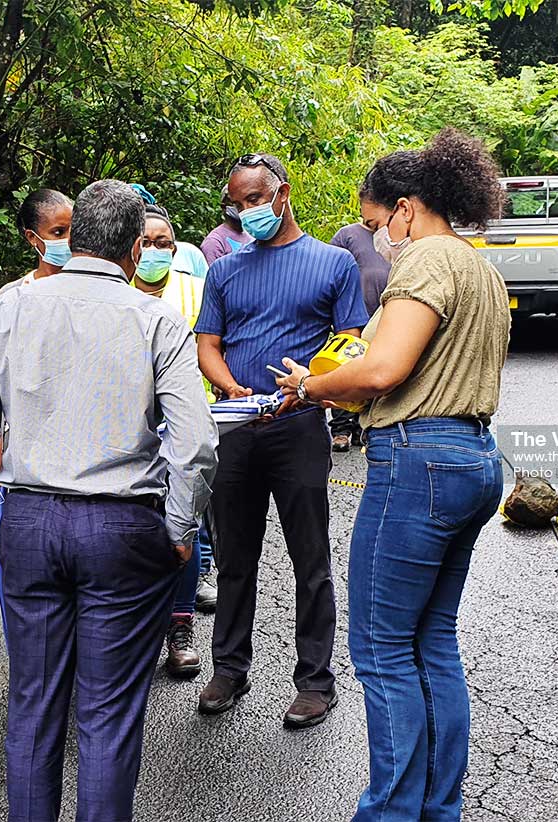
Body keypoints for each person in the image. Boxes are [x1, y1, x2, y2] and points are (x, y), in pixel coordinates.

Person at [0, 179, 218, 822]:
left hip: (28, 524)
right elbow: (196, 444)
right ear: (130, 251)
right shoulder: (157, 320)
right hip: (122, 528)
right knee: (108, 716)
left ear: (75, 236)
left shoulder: (12, 307)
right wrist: (179, 528)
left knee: (33, 706)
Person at [275, 128, 510, 821]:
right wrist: (333, 382)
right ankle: (439, 808)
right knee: (432, 640)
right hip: (471, 457)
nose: (378, 237)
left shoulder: (429, 259)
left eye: (377, 222)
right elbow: (404, 372)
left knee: (380, 651)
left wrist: (312, 390)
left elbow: (384, 369)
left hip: (417, 463)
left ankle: (390, 813)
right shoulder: (481, 269)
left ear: (407, 208)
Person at [194, 153, 368, 729]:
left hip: (299, 428)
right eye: (236, 204)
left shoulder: (334, 264)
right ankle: (229, 669)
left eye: (254, 200)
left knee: (310, 559)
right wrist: (230, 387)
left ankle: (316, 681)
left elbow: (350, 341)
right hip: (235, 429)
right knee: (234, 558)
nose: (245, 212)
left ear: (282, 194)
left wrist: (311, 390)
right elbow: (208, 346)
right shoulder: (224, 271)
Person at [0, 189, 74, 623]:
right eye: (58, 232)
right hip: (25, 454)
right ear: (32, 238)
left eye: (74, 229)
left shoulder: (96, 291)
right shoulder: (11, 301)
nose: (68, 240)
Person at [132, 202, 216, 678]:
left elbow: (213, 348)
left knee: (185, 525)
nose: (156, 251)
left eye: (165, 243)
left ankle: (179, 628)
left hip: (187, 428)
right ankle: (139, 627)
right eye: (147, 242)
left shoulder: (195, 289)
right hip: (131, 432)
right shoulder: (113, 289)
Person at [327, 192, 392, 452]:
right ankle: (342, 429)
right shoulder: (348, 235)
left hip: (387, 317)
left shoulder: (397, 238)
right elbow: (330, 271)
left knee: (378, 374)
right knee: (345, 368)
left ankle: (366, 428)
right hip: (353, 318)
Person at [201, 184, 251, 265]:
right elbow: (212, 275)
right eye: (235, 203)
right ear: (224, 207)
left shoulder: (251, 234)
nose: (242, 206)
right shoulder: (214, 241)